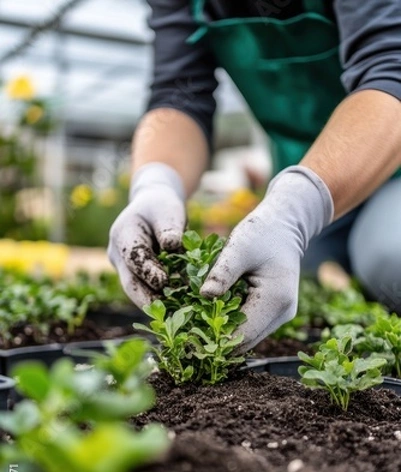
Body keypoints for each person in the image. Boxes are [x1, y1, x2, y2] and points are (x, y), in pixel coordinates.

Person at [108, 0, 401, 353]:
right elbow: (178, 91)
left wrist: (296, 210)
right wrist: (155, 183)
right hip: (307, 169)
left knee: (388, 258)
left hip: (383, 153)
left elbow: (391, 68)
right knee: (300, 292)